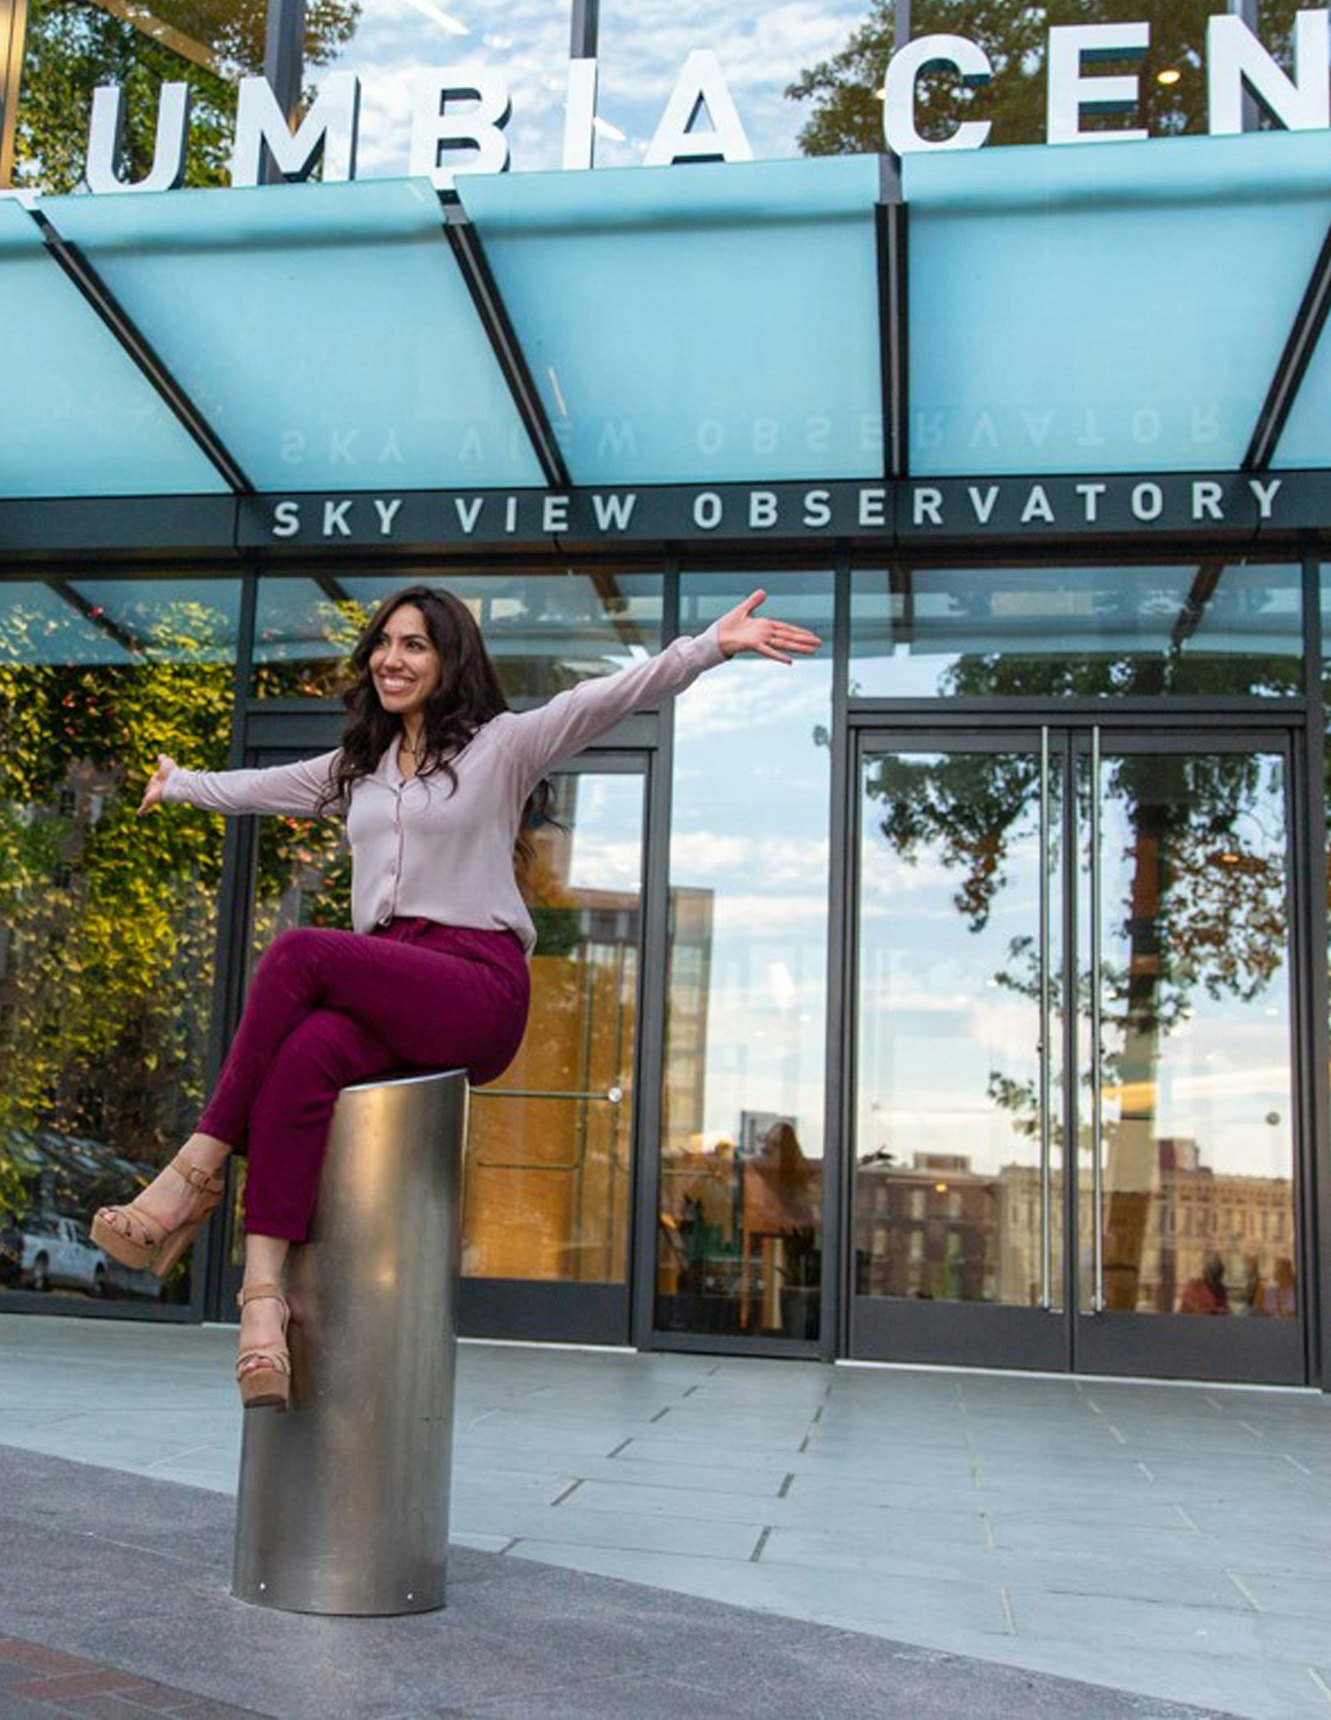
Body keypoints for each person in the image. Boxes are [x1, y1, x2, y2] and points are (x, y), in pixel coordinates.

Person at [106, 585, 818, 1406]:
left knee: (299, 954)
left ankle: (193, 1173)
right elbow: (263, 788)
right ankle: (262, 1307)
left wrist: (711, 645)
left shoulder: (501, 747)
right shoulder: (359, 772)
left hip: (473, 982)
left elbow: (610, 695)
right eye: (382, 644)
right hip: (390, 978)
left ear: (449, 661)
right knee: (304, 1056)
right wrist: (184, 783)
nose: (391, 660)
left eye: (413, 645)